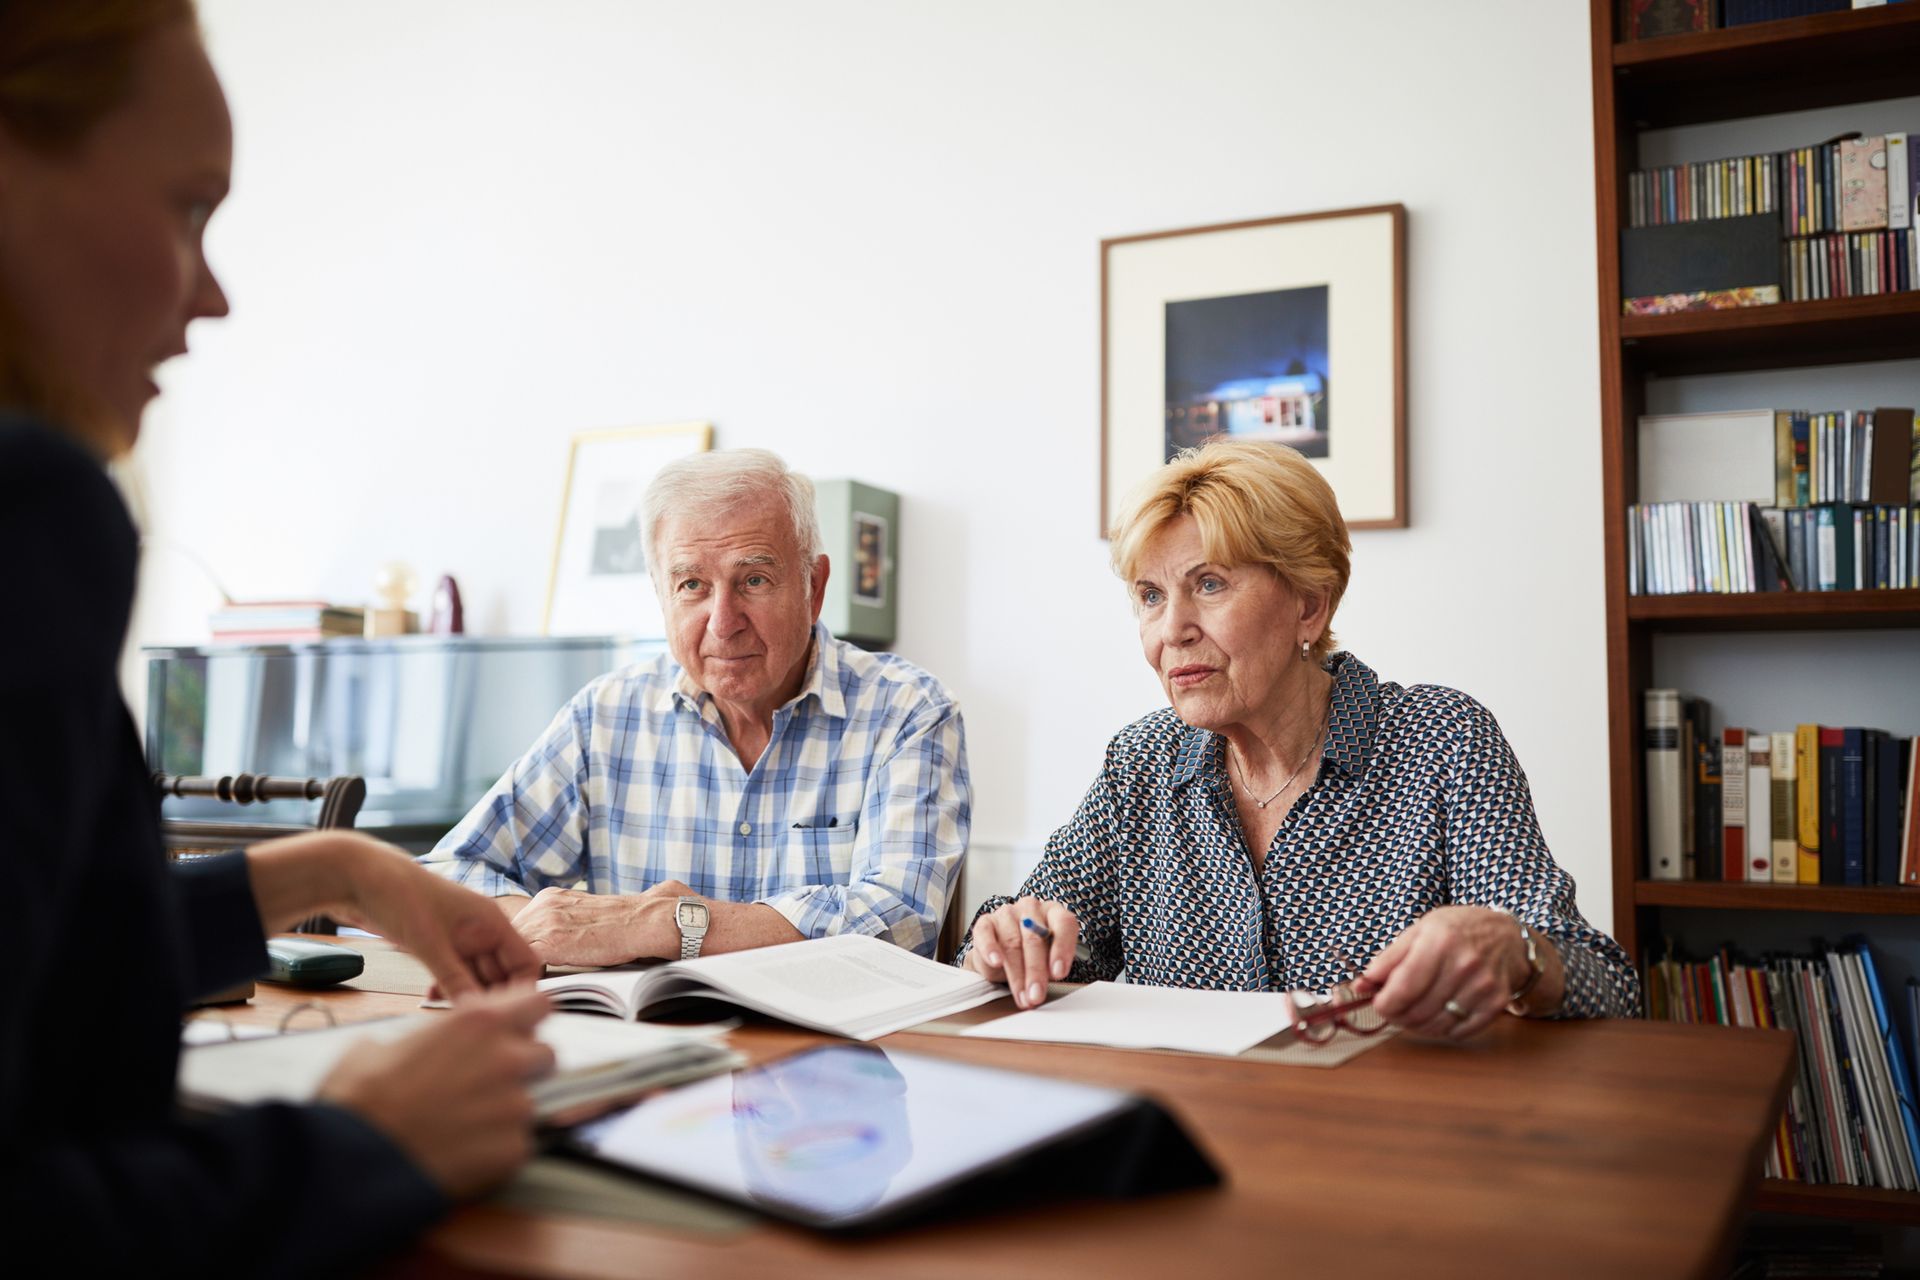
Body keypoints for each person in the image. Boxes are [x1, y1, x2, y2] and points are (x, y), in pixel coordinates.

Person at [0, 4, 556, 1272]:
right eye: (189, 208)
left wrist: (338, 871)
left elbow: (58, 962)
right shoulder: (32, 504)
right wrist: (364, 1140)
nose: (214, 292)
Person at [960, 439, 1639, 1035]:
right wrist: (1007, 939)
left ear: (1310, 604)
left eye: (1210, 583)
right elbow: (1039, 931)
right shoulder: (1141, 762)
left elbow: (1610, 990)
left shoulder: (1442, 743)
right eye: (1151, 596)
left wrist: (1518, 954)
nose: (1172, 631)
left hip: (1384, 1150)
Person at [421, 447, 971, 965]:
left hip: (840, 1052)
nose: (723, 622)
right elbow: (450, 873)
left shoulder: (908, 710)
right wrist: (547, 927)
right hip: (649, 1048)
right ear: (662, 596)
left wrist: (669, 925)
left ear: (814, 585)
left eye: (754, 579)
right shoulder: (606, 715)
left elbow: (903, 920)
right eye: (691, 585)